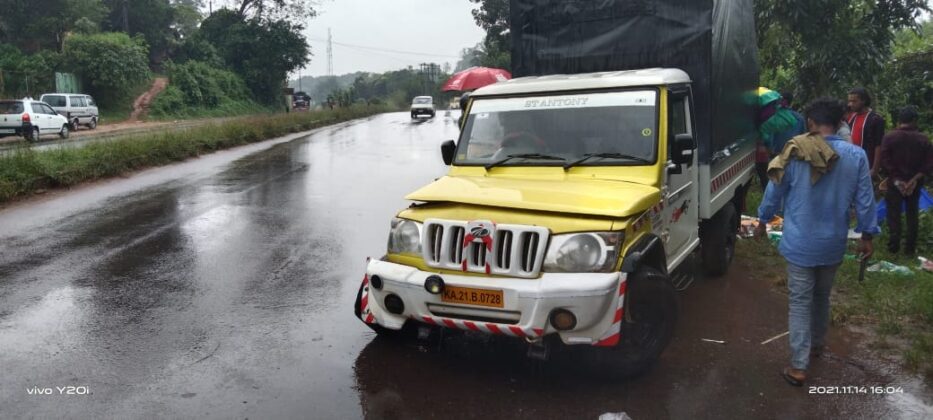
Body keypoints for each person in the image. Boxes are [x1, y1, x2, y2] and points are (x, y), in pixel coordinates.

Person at [756, 98, 878, 387]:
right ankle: (818, 345)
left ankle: (799, 366)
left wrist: (762, 220)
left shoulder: (795, 150)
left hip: (799, 242)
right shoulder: (857, 155)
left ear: (810, 122)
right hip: (833, 242)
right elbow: (865, 200)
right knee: (821, 297)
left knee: (800, 302)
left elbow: (774, 190)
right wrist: (867, 235)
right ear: (839, 123)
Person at [878, 106, 933, 255]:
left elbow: (885, 160)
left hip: (895, 182)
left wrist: (897, 180)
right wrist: (913, 180)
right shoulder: (923, 139)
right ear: (914, 120)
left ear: (899, 120)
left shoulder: (889, 137)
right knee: (912, 214)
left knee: (893, 214)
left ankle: (893, 247)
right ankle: (909, 249)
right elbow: (928, 164)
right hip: (915, 183)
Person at [846, 88, 885, 176]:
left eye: (854, 101)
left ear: (863, 101)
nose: (850, 104)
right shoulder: (851, 118)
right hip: (851, 165)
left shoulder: (875, 119)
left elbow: (878, 145)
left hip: (867, 165)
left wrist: (875, 169)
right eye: (849, 101)